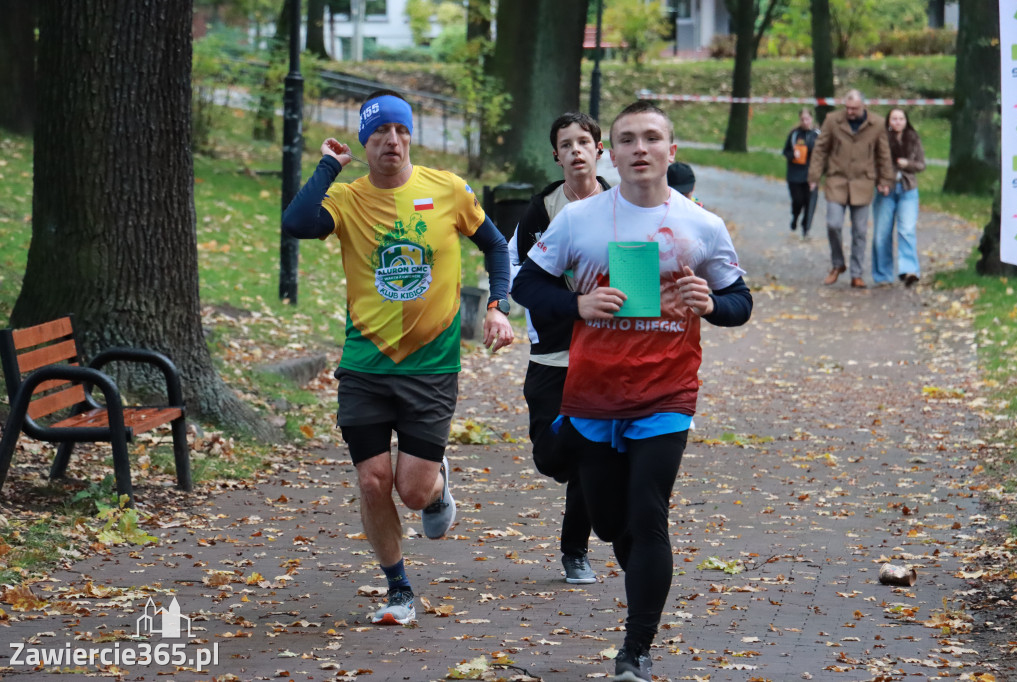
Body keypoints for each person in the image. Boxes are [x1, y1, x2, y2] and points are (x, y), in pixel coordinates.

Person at [511, 101, 752, 682]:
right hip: (593, 392)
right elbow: (525, 283)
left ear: (672, 150)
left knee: (648, 517)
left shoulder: (702, 225)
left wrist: (712, 305)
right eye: (627, 140)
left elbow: (740, 302)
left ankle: (635, 650)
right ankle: (565, 446)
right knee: (610, 523)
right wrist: (576, 304)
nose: (639, 149)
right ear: (609, 154)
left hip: (666, 393)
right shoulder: (579, 219)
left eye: (651, 138)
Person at [281, 89, 515, 626]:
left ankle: (436, 486)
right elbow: (296, 223)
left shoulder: (447, 190)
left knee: (411, 490)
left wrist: (498, 307)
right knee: (370, 480)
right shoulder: (346, 199)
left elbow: (498, 246)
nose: (392, 140)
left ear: (411, 136)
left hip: (431, 367)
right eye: (380, 132)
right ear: (364, 143)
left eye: (401, 130)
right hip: (365, 363)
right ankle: (398, 589)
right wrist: (327, 166)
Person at [509, 112, 611, 585]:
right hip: (551, 350)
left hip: (606, 350)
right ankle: (585, 463)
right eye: (565, 144)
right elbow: (523, 278)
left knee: (592, 454)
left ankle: (576, 551)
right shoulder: (543, 209)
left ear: (598, 150)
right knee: (553, 457)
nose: (575, 150)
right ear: (557, 154)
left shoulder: (620, 203)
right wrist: (571, 305)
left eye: (583, 142)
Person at [807, 89, 895, 289]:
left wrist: (885, 179)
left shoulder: (877, 124)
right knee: (833, 224)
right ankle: (838, 264)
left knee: (860, 231)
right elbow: (820, 149)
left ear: (864, 106)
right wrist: (814, 176)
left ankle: (857, 273)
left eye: (854, 108)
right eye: (847, 107)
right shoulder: (832, 120)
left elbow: (883, 154)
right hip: (837, 181)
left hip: (863, 182)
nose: (850, 112)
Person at [872, 108, 925, 287]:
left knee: (907, 230)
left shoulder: (913, 138)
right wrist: (880, 181)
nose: (897, 122)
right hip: (886, 190)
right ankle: (882, 275)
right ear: (888, 121)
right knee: (882, 234)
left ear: (906, 121)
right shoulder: (881, 138)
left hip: (908, 189)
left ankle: (909, 271)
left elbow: (921, 164)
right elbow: (874, 164)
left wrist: (907, 163)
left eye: (901, 119)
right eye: (894, 119)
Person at [781, 108, 819, 235]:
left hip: (810, 175)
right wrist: (793, 155)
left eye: (807, 119)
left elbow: (822, 155)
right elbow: (785, 151)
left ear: (811, 119)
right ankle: (795, 216)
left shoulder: (817, 135)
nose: (805, 122)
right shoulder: (794, 134)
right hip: (795, 174)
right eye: (802, 119)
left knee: (809, 202)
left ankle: (805, 228)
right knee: (798, 200)